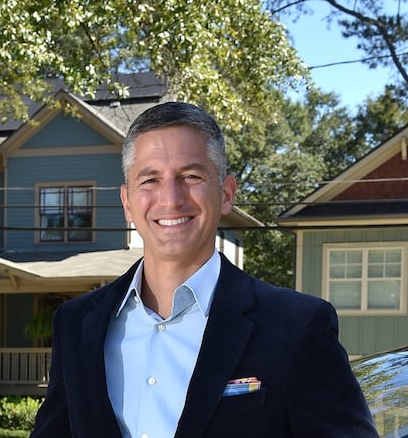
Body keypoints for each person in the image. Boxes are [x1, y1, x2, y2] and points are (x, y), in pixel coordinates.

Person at [29, 101, 377, 438]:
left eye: (191, 176)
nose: (171, 199)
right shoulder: (76, 325)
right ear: (127, 203)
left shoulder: (298, 326)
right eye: (150, 180)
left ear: (226, 193)